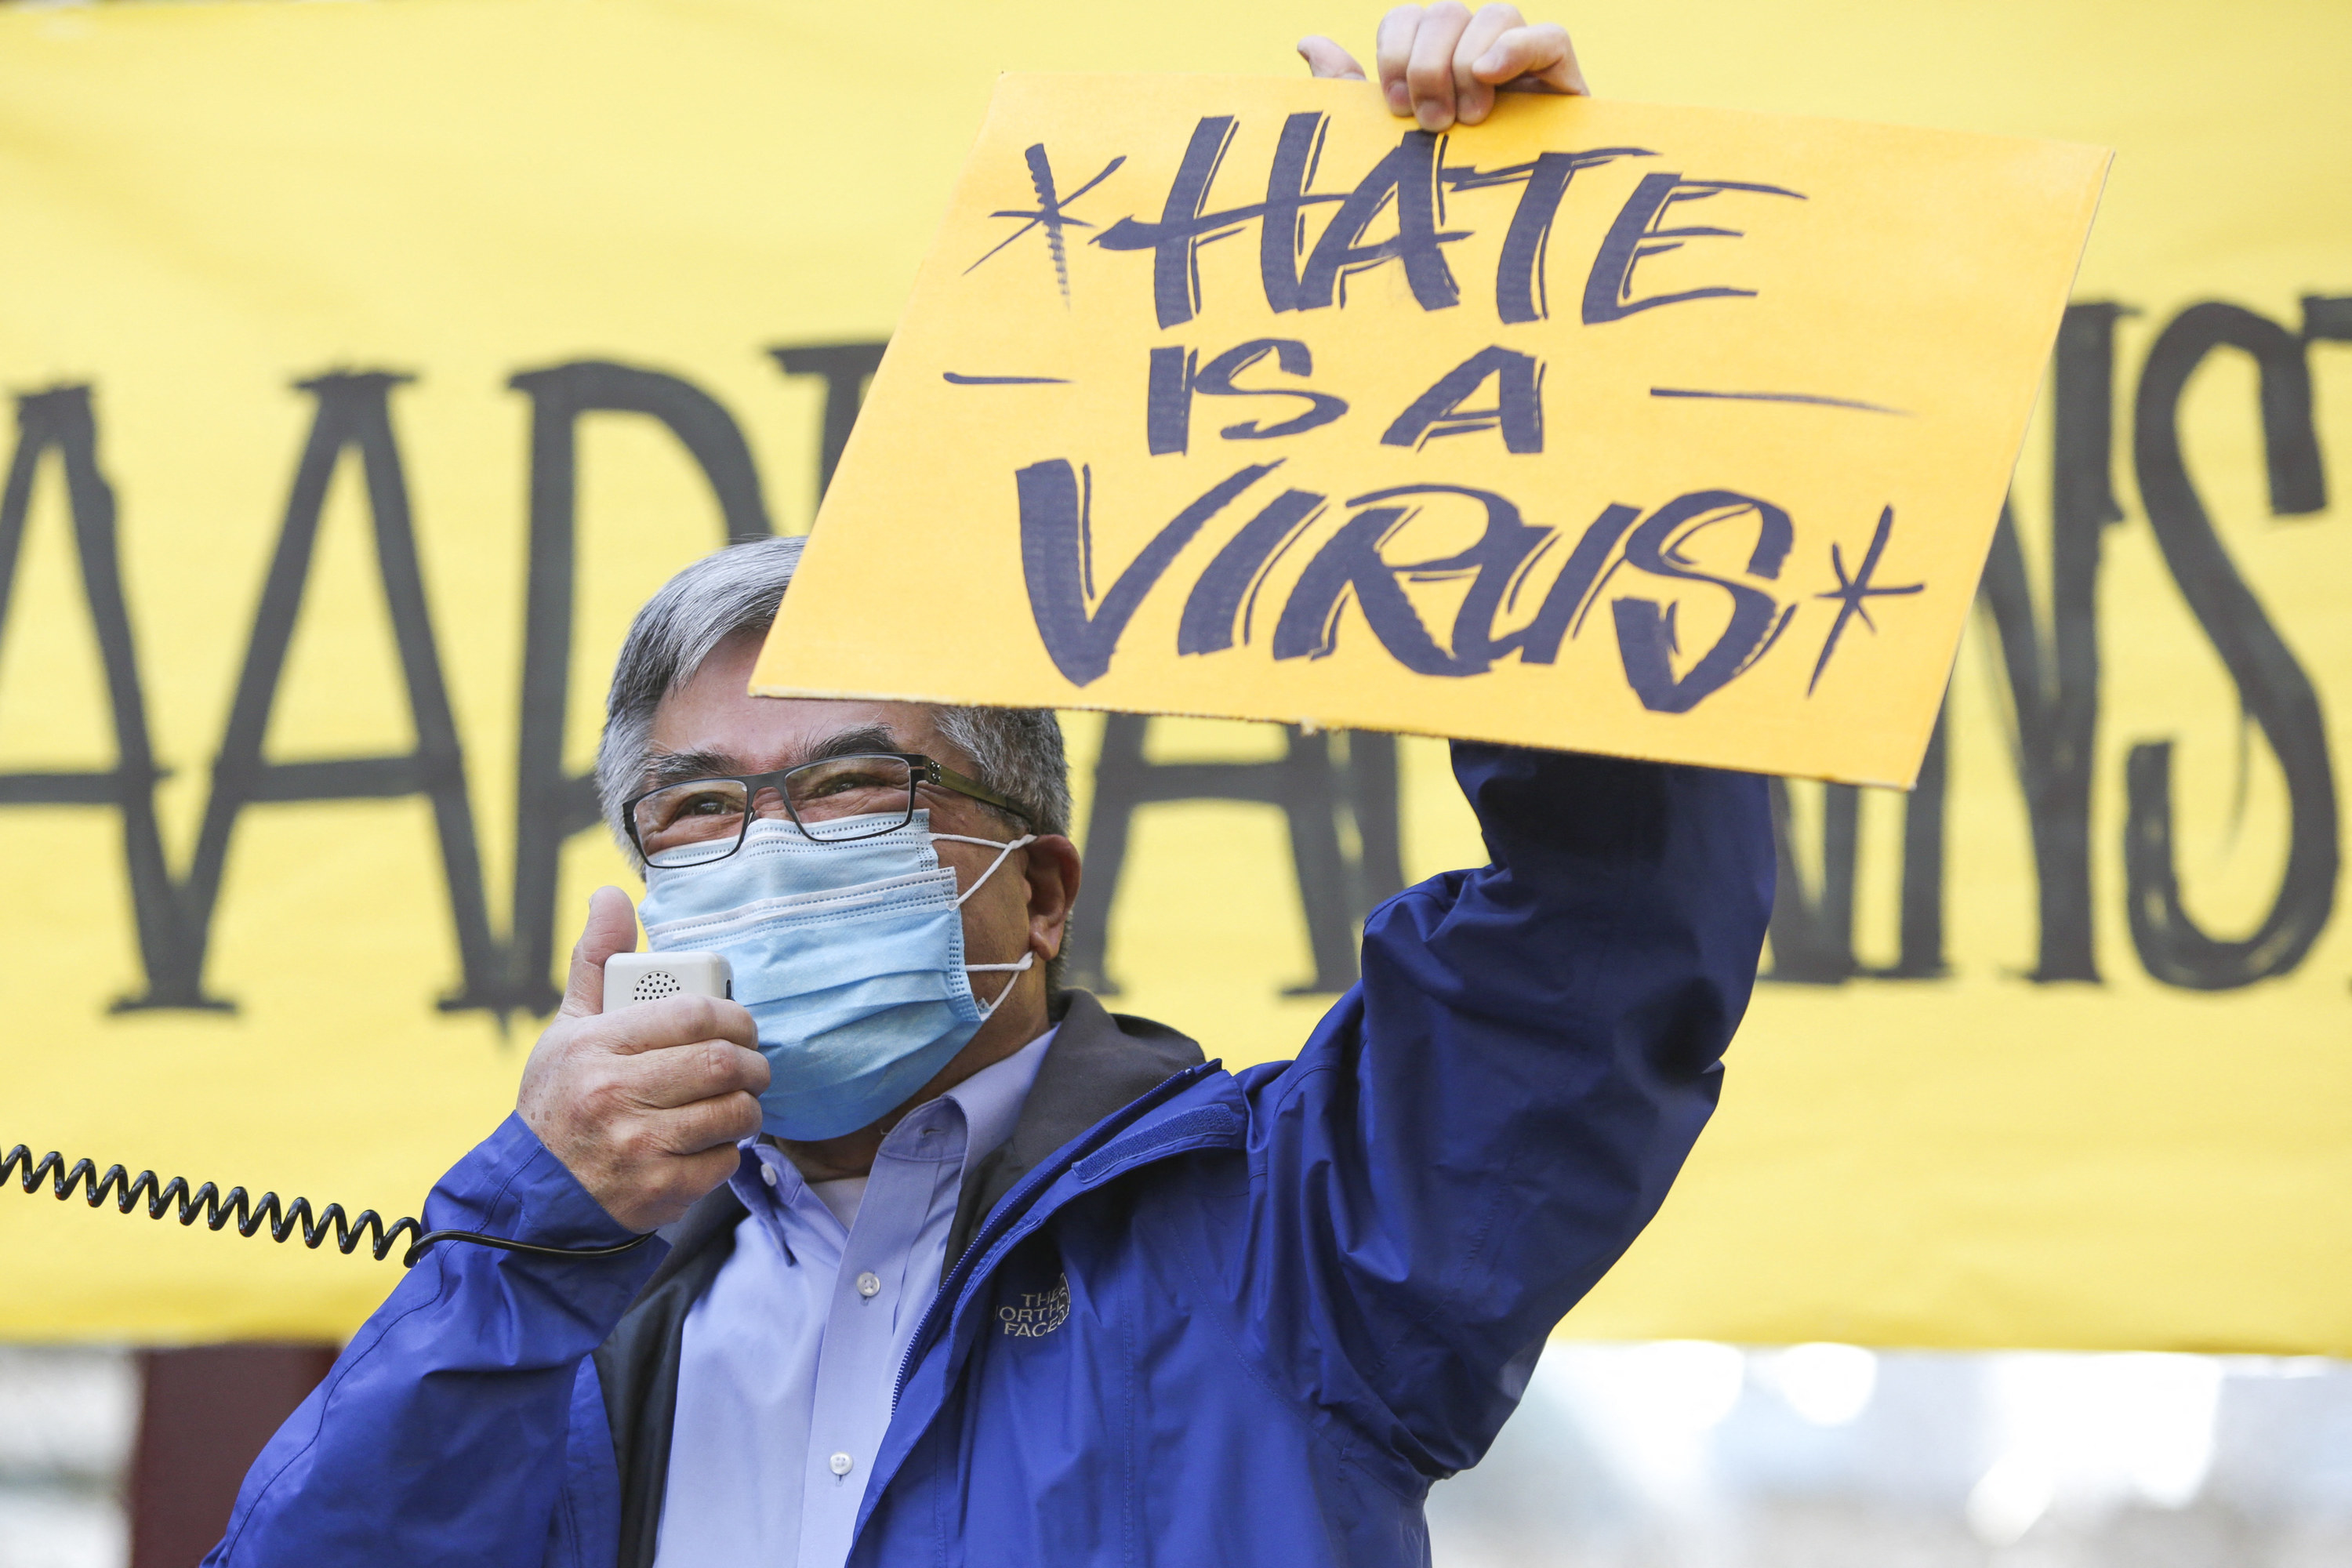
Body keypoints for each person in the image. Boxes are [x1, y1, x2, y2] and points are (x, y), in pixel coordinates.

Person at [202, 10, 1769, 1566]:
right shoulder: (569, 1320)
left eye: (854, 786)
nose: (769, 849)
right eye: (697, 807)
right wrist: (533, 1238)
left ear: (1039, 890)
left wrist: (1528, 331)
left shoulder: (1303, 1240)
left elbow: (1612, 921)